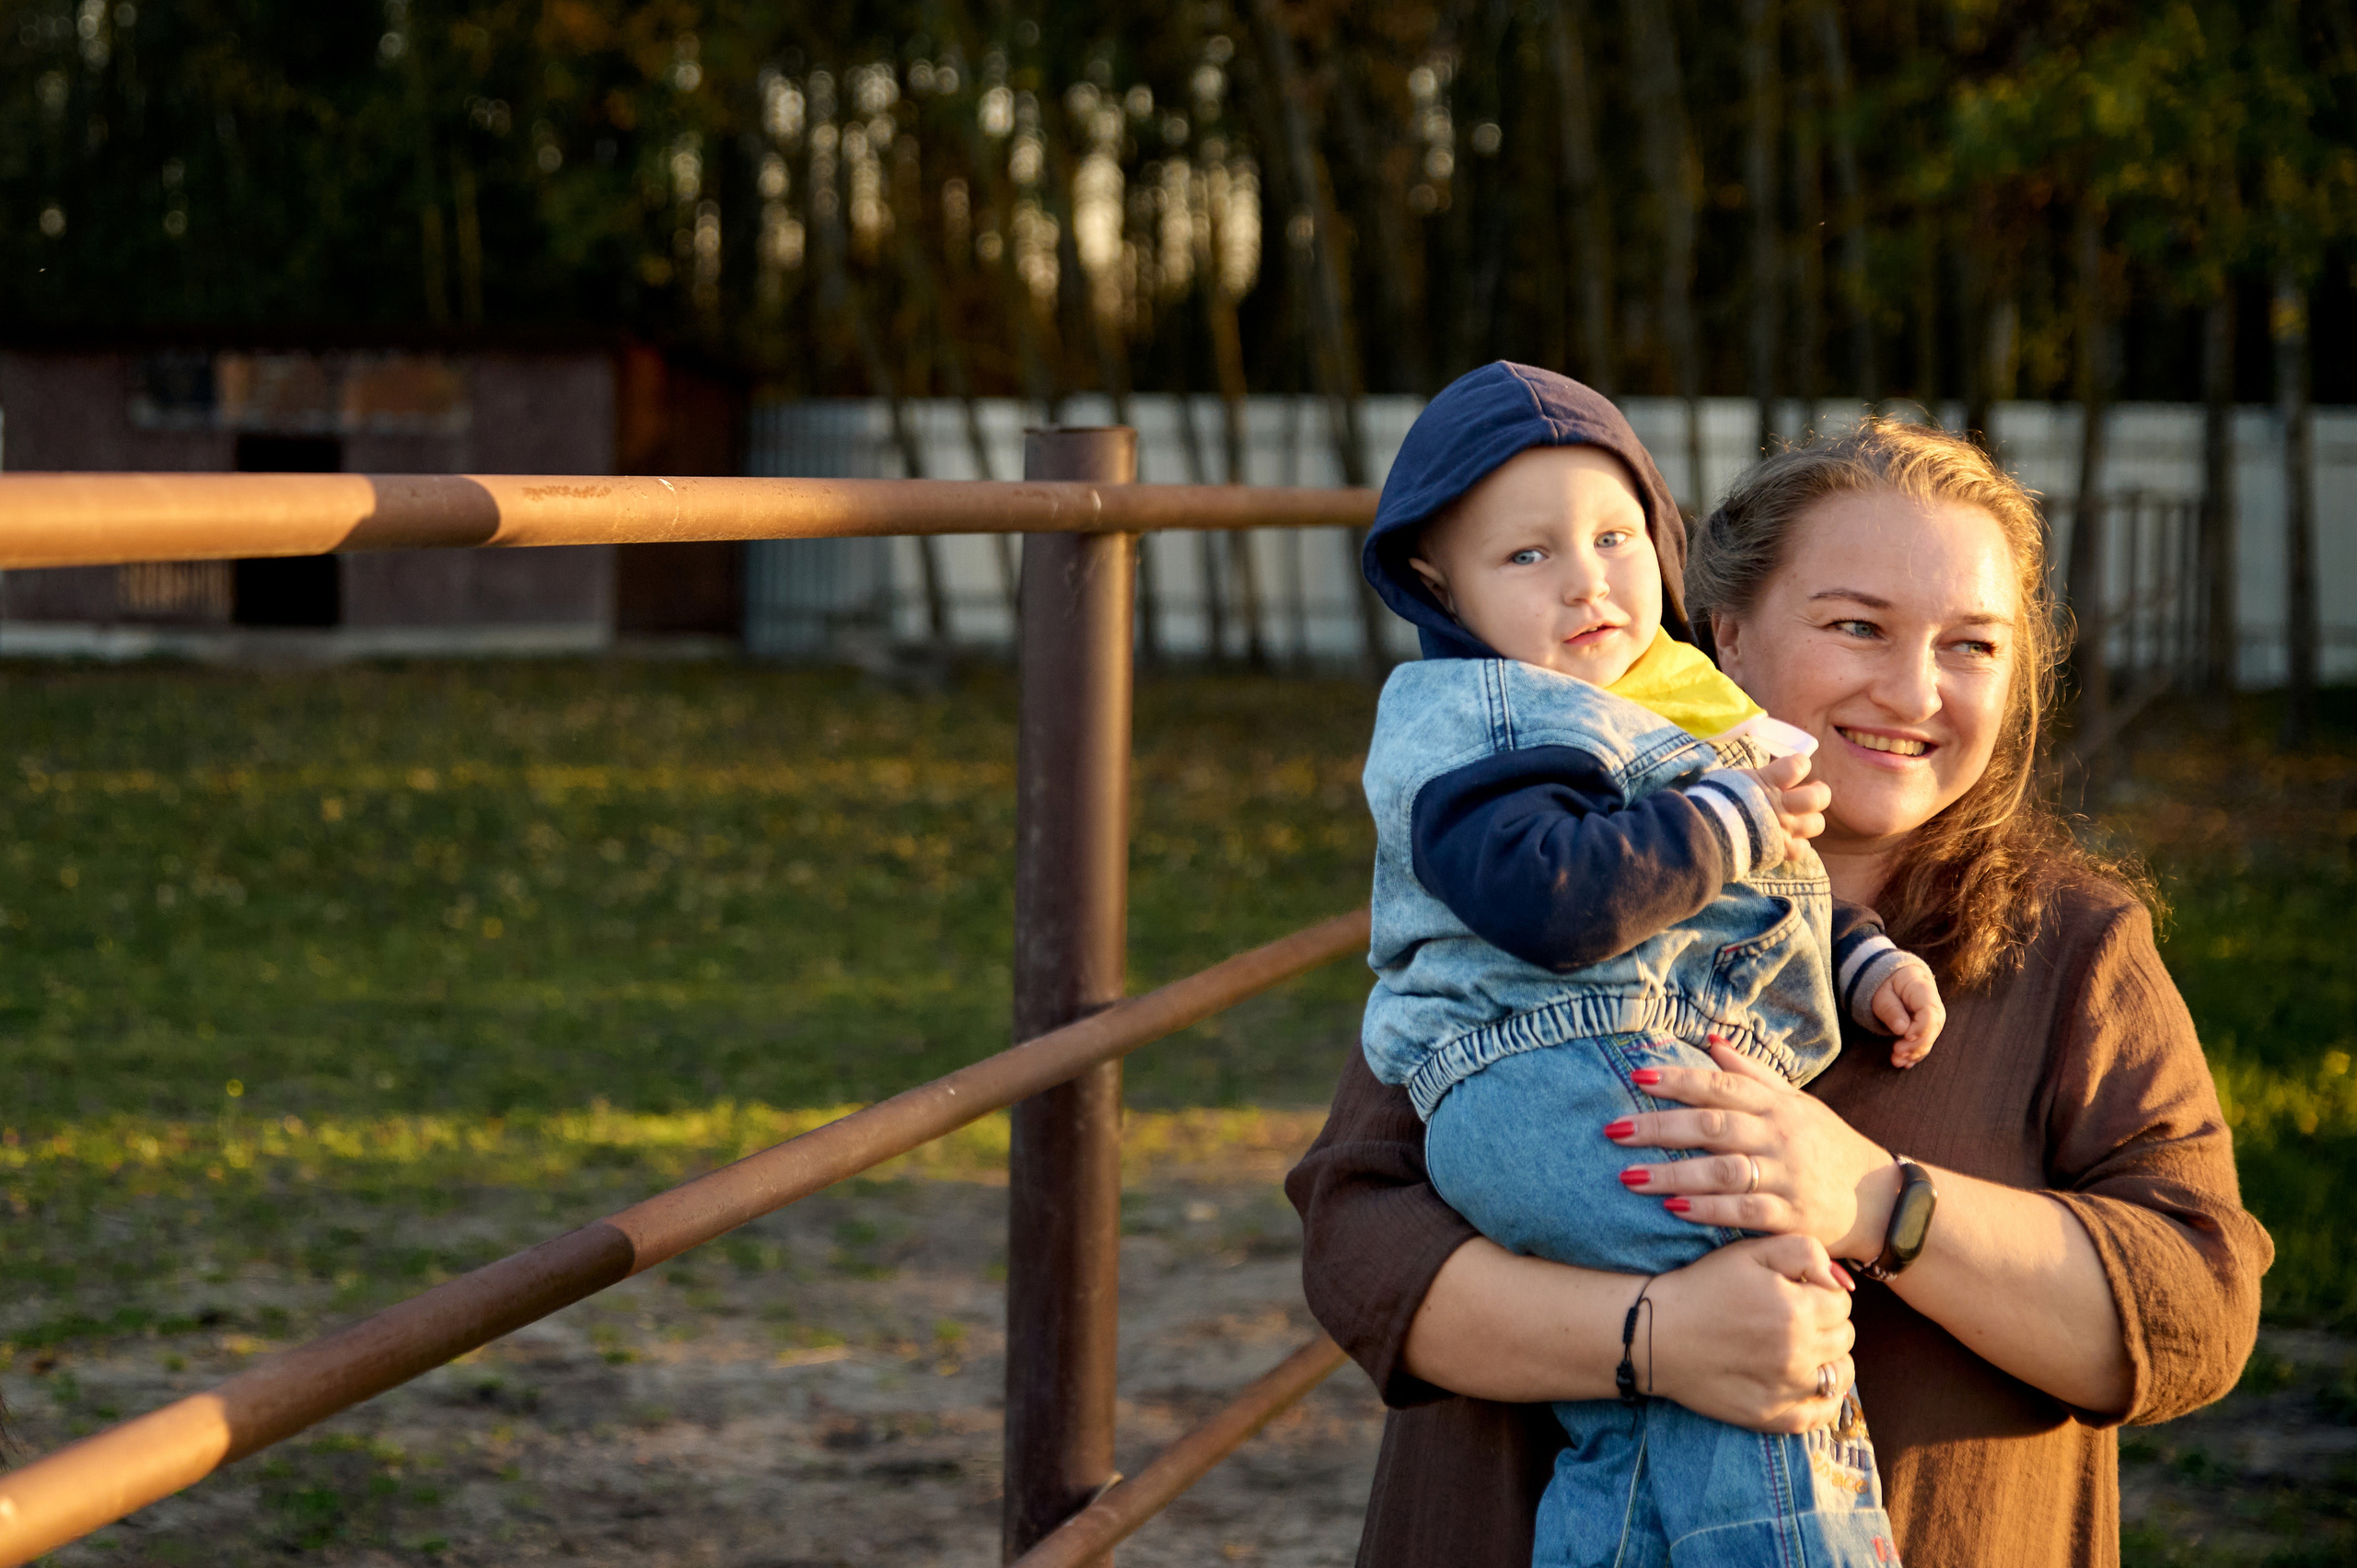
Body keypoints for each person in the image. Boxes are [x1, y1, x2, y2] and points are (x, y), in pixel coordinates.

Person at [1289, 414, 2273, 1568]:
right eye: (1856, 624)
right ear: (1725, 639)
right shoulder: (1546, 872)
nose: (1912, 689)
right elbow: (1356, 1238)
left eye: (1971, 645)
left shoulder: (2074, 943)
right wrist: (1651, 1340)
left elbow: (2193, 1311)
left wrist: (1873, 1197)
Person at [1353, 363, 1939, 1566]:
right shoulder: (1481, 722)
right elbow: (1554, 897)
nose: (1587, 580)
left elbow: (1753, 892)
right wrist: (1728, 816)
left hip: (1617, 1058)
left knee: (1629, 1427)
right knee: (1761, 1300)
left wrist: (1862, 956)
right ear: (1435, 580)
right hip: (1545, 1070)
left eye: (1617, 536)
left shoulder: (1675, 701)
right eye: (1527, 556)